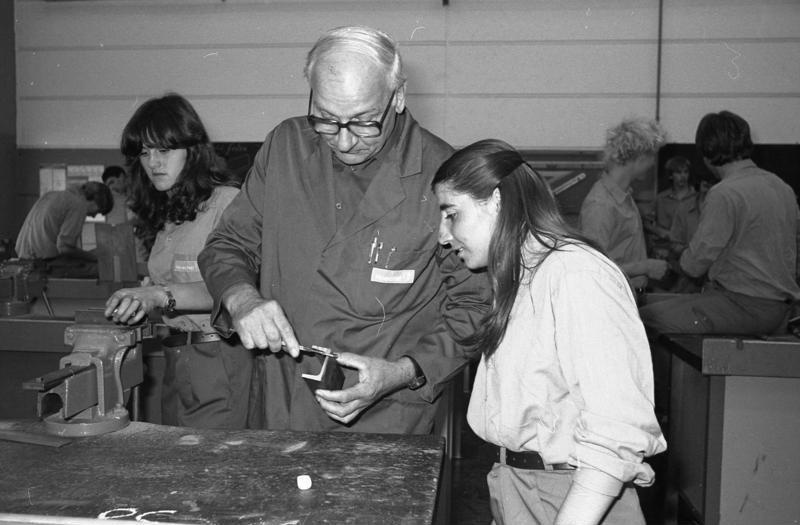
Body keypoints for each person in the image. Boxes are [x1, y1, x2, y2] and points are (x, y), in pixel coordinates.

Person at [198, 26, 489, 434]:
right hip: (281, 405)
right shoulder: (286, 147)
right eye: (327, 121)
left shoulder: (444, 178)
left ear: (398, 97)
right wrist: (242, 298)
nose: (345, 141)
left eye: (364, 122)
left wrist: (404, 372)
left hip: (384, 417)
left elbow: (475, 307)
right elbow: (227, 245)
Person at [434, 139, 666, 525]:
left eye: (451, 214)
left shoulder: (576, 275)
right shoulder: (519, 278)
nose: (443, 235)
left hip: (575, 498)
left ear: (496, 201)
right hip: (519, 486)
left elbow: (616, 428)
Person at [104, 93, 252, 429]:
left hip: (220, 362)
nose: (154, 162)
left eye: (164, 150)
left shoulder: (226, 203)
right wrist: (145, 295)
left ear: (192, 150)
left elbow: (236, 287)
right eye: (145, 152)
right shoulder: (169, 213)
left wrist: (160, 294)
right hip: (178, 356)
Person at [639, 110, 800, 335]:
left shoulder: (724, 193)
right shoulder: (782, 188)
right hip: (780, 308)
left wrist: (676, 256)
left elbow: (693, 265)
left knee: (640, 320)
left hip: (743, 306)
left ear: (707, 153)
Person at [579, 117, 669, 296]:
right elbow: (592, 266)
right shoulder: (601, 205)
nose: (653, 163)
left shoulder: (623, 196)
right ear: (640, 157)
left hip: (628, 294)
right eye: (652, 156)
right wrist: (645, 266)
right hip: (613, 298)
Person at [15, 181, 113, 260]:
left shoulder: (51, 195)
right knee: (99, 271)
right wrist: (94, 257)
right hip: (41, 264)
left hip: (23, 257)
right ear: (95, 200)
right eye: (98, 211)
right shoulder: (79, 204)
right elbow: (64, 248)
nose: (94, 216)